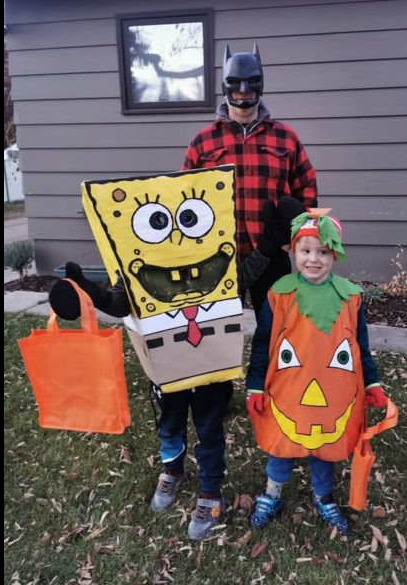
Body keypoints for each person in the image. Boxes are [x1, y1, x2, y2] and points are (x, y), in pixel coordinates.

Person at [49, 196, 304, 541]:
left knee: (210, 430)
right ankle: (173, 471)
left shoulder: (216, 263)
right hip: (165, 366)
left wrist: (270, 243)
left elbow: (241, 277)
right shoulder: (142, 269)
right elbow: (123, 301)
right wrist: (95, 295)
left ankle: (211, 492)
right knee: (169, 425)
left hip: (211, 365)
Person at [245, 212, 388, 536]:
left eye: (322, 252)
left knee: (326, 443)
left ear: (333, 254)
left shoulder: (350, 297)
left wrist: (372, 382)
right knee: (282, 442)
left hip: (334, 393)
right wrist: (255, 387)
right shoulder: (279, 294)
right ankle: (272, 494)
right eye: (306, 251)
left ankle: (323, 496)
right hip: (287, 389)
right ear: (293, 252)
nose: (314, 259)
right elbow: (262, 345)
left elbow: (359, 347)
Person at [183, 44, 318, 319]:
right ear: (226, 88)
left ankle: (271, 364)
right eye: (236, 87)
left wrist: (296, 239)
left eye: (250, 87)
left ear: (260, 87)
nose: (243, 93)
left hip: (270, 251)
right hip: (217, 255)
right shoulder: (202, 141)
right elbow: (184, 197)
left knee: (276, 328)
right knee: (215, 333)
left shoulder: (285, 137)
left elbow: (307, 189)